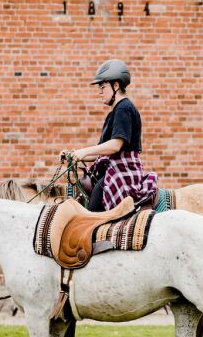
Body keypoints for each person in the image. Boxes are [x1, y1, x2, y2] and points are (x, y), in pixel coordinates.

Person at [60, 59, 158, 218]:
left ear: (116, 86)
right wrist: (74, 155)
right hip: (112, 169)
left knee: (91, 217)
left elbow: (115, 145)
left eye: (103, 87)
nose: (99, 91)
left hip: (122, 172)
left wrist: (83, 152)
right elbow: (102, 154)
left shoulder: (124, 108)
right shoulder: (116, 112)